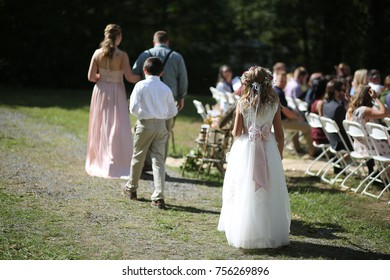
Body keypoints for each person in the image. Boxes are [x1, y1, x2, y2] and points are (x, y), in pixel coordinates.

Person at [218, 66, 290, 249]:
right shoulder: (274, 103)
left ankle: (246, 231)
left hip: (246, 148)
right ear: (268, 82)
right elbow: (280, 133)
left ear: (247, 83)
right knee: (269, 190)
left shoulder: (242, 103)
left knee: (244, 187)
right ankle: (268, 231)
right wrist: (279, 154)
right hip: (268, 149)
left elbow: (236, 131)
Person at [122, 57, 178, 209]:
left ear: (144, 70)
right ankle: (158, 197)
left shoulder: (140, 85)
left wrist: (143, 114)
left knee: (138, 156)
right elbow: (173, 111)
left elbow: (132, 108)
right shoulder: (166, 88)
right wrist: (160, 115)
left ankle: (131, 189)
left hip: (145, 124)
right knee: (158, 161)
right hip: (161, 126)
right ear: (162, 73)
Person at [86, 24, 140, 178]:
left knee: (100, 124)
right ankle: (115, 161)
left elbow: (90, 77)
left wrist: (103, 78)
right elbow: (130, 77)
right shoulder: (122, 55)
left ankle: (99, 159)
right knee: (117, 125)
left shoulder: (97, 53)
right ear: (118, 37)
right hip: (116, 91)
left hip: (101, 91)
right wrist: (143, 77)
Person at [132, 30, 188, 170]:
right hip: (168, 100)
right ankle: (159, 167)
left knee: (144, 132)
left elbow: (134, 72)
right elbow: (183, 79)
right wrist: (181, 97)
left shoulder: (145, 54)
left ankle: (144, 165)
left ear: (154, 42)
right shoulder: (176, 57)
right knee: (164, 134)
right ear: (167, 42)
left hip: (146, 100)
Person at [346, 85, 390, 172]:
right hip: (372, 149)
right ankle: (384, 174)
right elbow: (385, 113)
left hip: (360, 147)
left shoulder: (350, 110)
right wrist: (376, 98)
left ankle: (380, 173)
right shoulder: (364, 110)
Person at [273, 71, 316, 156]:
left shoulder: (277, 90)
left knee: (296, 128)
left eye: (285, 81)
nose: (283, 83)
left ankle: (298, 149)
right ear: (276, 80)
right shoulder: (279, 93)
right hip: (282, 122)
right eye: (281, 81)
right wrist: (297, 118)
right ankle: (312, 152)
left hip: (280, 121)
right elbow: (285, 110)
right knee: (307, 127)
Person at [308, 77, 329, 145]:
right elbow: (323, 121)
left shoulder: (314, 101)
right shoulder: (321, 103)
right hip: (321, 136)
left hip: (315, 133)